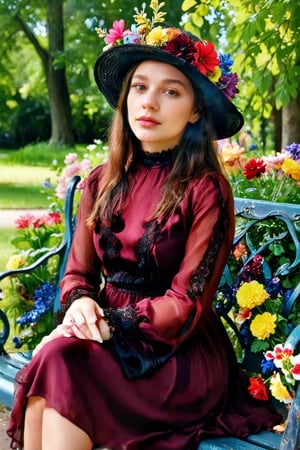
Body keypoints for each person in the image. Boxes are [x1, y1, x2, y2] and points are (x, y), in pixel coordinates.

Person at [7, 2, 281, 449]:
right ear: (126, 98)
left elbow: (186, 303)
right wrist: (78, 305)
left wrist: (109, 323)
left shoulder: (205, 189)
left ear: (195, 111)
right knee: (57, 367)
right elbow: (77, 271)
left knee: (58, 367)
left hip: (178, 354)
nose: (149, 102)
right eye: (139, 87)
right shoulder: (103, 180)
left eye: (171, 92)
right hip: (102, 340)